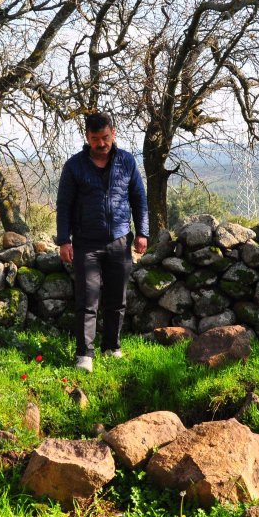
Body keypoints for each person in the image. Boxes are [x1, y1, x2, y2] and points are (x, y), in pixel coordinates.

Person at [55, 112, 148, 372]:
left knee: (117, 299)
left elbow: (139, 199)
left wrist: (142, 233)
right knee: (87, 300)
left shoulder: (126, 161)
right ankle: (85, 355)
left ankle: (112, 347)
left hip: (119, 241)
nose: (101, 143)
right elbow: (64, 205)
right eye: (95, 139)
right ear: (87, 138)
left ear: (113, 133)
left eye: (105, 137)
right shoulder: (74, 166)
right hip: (86, 243)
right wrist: (64, 240)